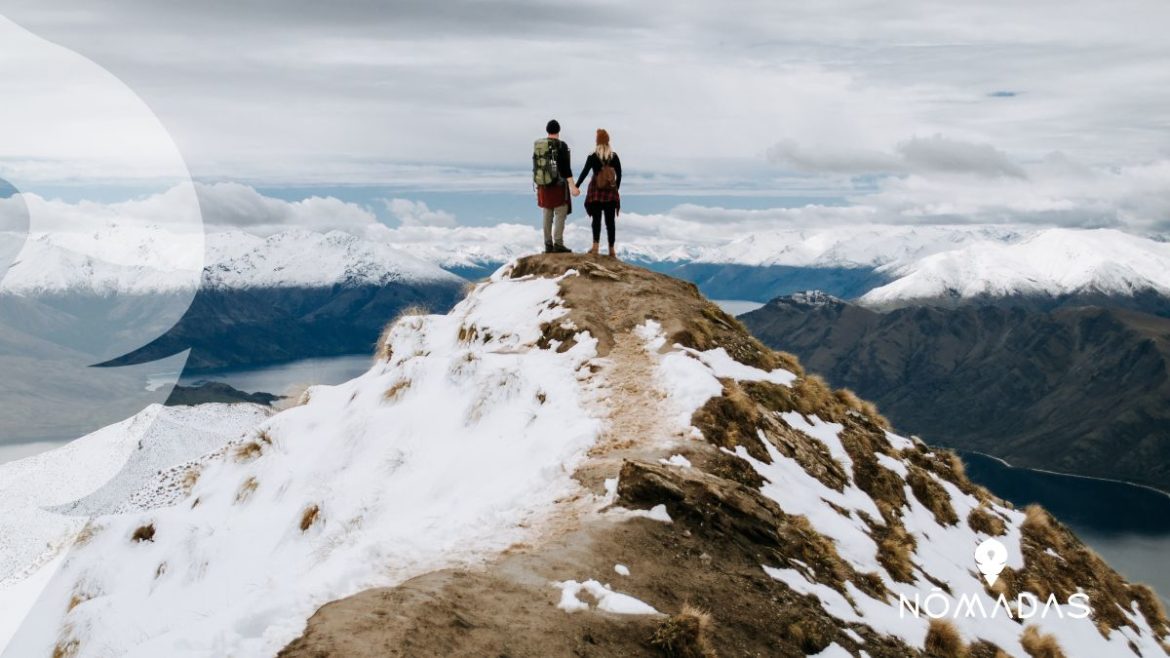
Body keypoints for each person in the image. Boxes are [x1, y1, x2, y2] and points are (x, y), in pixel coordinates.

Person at [533, 119, 580, 253]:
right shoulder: (561, 146)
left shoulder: (539, 146)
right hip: (558, 187)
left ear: (547, 130)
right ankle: (558, 243)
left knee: (547, 213)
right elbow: (566, 169)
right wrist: (573, 187)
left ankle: (548, 244)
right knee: (560, 212)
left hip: (543, 186)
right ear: (558, 131)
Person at [575, 128, 622, 257]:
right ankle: (612, 250)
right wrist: (615, 189)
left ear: (597, 141)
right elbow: (619, 174)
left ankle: (595, 247)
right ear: (608, 141)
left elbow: (584, 172)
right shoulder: (614, 156)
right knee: (610, 222)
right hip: (610, 193)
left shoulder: (592, 156)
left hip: (595, 192)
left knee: (596, 220)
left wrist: (576, 186)